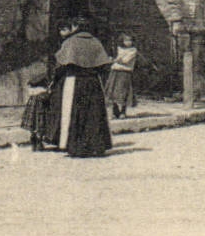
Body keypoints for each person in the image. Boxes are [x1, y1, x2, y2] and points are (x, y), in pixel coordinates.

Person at [42, 16, 114, 157]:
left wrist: (55, 80)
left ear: (75, 27)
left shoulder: (71, 42)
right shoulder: (96, 42)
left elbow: (61, 64)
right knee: (94, 113)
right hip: (93, 82)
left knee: (74, 113)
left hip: (74, 81)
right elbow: (104, 66)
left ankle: (75, 147)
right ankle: (95, 147)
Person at [107, 33, 139, 119]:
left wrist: (115, 59)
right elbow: (112, 58)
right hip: (115, 71)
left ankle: (123, 112)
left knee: (123, 93)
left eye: (130, 40)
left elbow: (125, 60)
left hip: (125, 73)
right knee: (113, 92)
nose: (128, 42)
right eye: (126, 40)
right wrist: (114, 59)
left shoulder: (133, 50)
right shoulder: (118, 49)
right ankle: (115, 111)